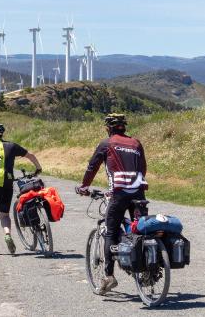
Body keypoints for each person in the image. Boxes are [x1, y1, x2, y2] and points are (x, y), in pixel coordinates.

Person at [76, 113, 148, 295]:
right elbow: (143, 168)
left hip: (119, 194)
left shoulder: (107, 144)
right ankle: (147, 269)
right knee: (141, 230)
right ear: (124, 127)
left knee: (111, 231)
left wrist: (84, 186)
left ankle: (109, 276)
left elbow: (92, 167)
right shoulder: (136, 143)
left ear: (108, 128)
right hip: (139, 192)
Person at [0, 123, 42, 255]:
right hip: (7, 183)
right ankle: (7, 234)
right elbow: (30, 155)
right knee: (4, 215)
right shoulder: (12, 146)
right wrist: (38, 168)